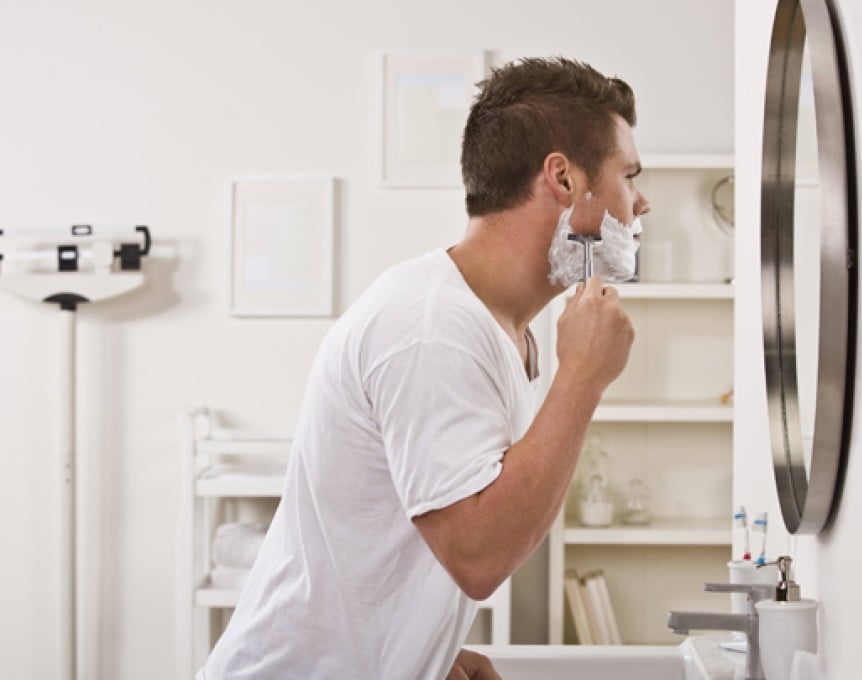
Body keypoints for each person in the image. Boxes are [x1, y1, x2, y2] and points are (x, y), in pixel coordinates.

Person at [199, 56, 650, 680]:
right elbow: (478, 556)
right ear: (564, 180)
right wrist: (582, 380)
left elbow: (437, 535)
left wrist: (426, 655)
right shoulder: (432, 327)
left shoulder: (495, 326)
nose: (641, 203)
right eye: (628, 175)